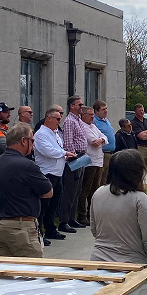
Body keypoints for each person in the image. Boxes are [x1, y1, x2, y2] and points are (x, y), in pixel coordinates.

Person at [0, 123, 54, 258]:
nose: (33, 144)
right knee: (30, 273)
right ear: (23, 141)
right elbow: (48, 192)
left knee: (6, 272)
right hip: (21, 228)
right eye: (32, 140)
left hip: (0, 224)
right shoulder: (27, 165)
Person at [90, 149, 147, 264]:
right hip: (132, 262)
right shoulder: (140, 198)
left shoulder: (98, 193)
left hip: (98, 260)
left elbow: (94, 229)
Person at [34, 105, 73, 242]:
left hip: (57, 173)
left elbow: (57, 149)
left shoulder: (55, 133)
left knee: (53, 204)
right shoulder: (41, 134)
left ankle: (50, 229)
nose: (59, 121)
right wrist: (64, 153)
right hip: (47, 173)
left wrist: (65, 156)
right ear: (49, 118)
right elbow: (48, 151)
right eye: (57, 118)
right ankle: (39, 233)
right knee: (43, 205)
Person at [60, 94, 88, 231]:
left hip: (82, 156)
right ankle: (64, 220)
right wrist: (73, 158)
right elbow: (68, 141)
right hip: (74, 157)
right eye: (79, 105)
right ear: (72, 106)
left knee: (77, 191)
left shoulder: (78, 120)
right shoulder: (69, 121)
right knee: (70, 191)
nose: (81, 107)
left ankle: (72, 218)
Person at [77, 105, 107, 226]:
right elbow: (93, 142)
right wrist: (100, 140)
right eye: (90, 115)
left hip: (98, 160)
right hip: (90, 161)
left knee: (95, 189)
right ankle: (82, 214)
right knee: (86, 189)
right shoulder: (83, 127)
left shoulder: (93, 126)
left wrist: (102, 140)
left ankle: (91, 213)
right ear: (83, 115)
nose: (92, 117)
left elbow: (105, 137)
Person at [92, 100, 116, 188]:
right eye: (103, 109)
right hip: (102, 153)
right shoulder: (94, 122)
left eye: (106, 109)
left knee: (107, 179)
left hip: (110, 153)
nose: (106, 111)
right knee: (100, 179)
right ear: (96, 111)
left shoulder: (106, 120)